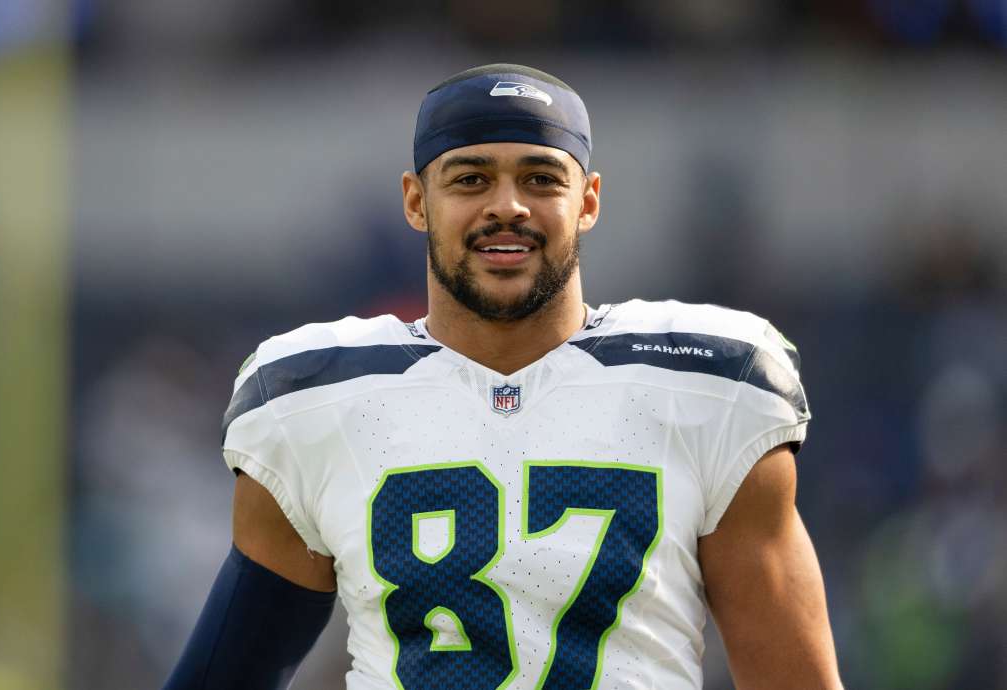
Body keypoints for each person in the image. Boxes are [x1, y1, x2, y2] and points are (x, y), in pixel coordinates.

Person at [164, 63, 842, 690]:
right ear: (415, 201)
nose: (508, 206)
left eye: (542, 178)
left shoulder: (711, 387)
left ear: (588, 201)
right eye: (470, 178)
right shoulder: (311, 401)